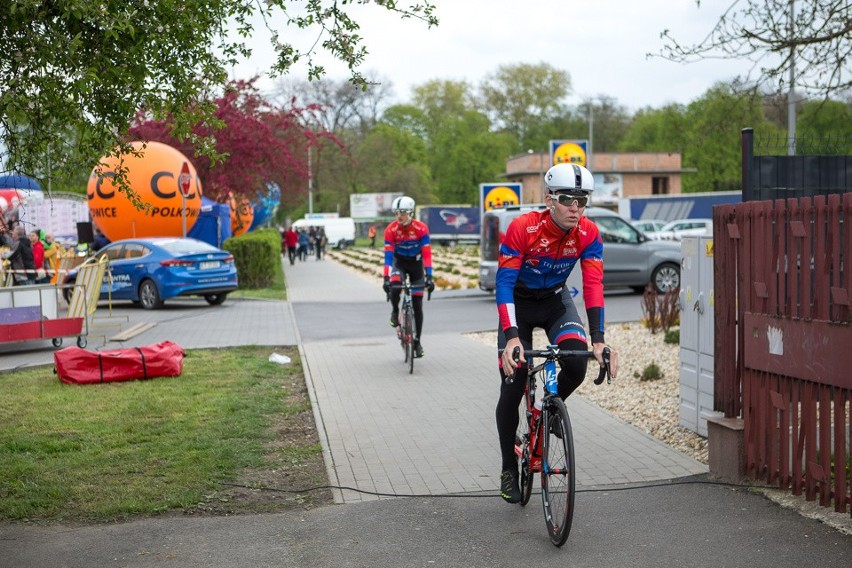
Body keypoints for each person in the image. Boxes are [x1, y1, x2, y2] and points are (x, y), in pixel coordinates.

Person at [494, 163, 619, 504]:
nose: (575, 207)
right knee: (514, 381)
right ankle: (508, 467)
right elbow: (503, 283)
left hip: (554, 302)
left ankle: (550, 411)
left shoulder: (590, 233)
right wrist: (513, 336)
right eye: (567, 199)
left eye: (582, 199)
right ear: (550, 199)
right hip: (518, 303)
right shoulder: (523, 228)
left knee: (577, 364)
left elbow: (593, 284)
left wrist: (598, 339)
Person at [382, 196, 434, 358]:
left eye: (403, 213)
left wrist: (429, 277)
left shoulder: (421, 229)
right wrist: (386, 277)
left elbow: (427, 254)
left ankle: (417, 342)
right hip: (400, 263)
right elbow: (388, 256)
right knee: (395, 286)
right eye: (396, 213)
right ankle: (395, 310)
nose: (399, 216)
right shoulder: (390, 230)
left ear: (410, 212)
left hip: (416, 264)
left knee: (418, 305)